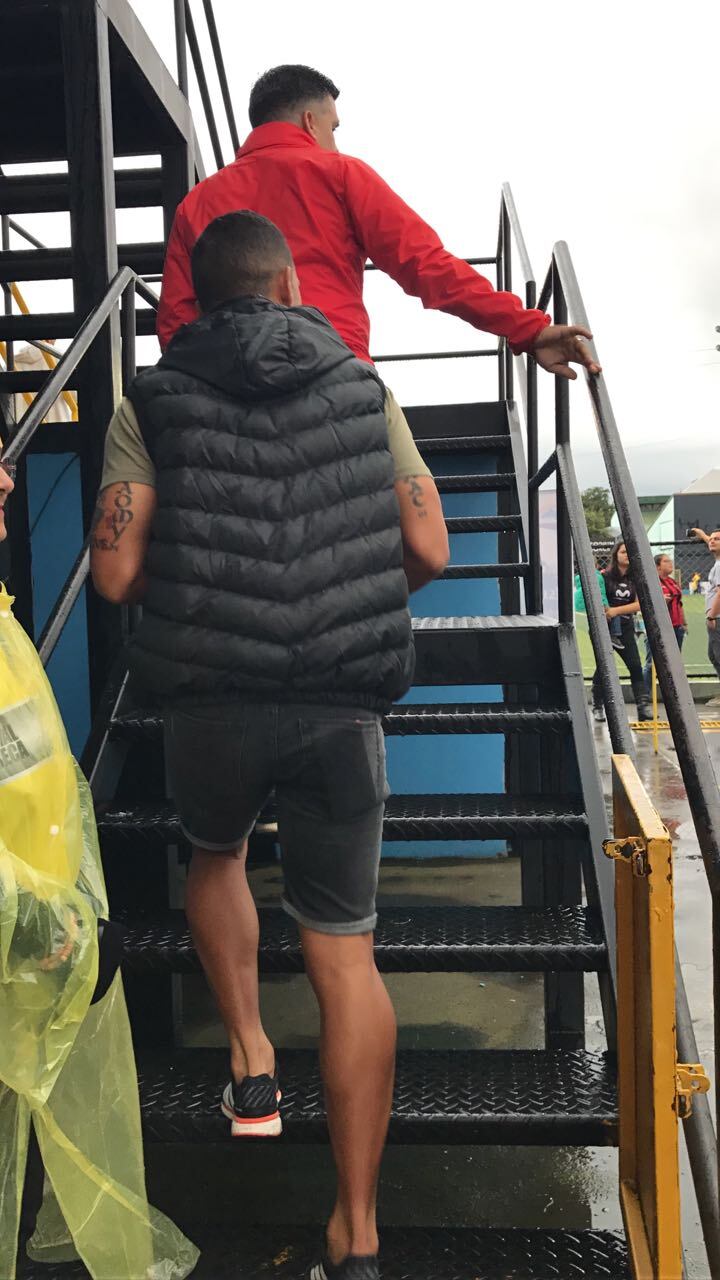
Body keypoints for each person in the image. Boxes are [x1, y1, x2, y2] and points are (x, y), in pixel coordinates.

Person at [91, 210, 450, 1280]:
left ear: (194, 302)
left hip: (214, 702)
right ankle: (357, 1233)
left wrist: (209, 595)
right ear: (292, 287)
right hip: (341, 701)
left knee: (216, 855)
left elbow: (114, 572)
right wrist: (347, 594)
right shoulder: (363, 388)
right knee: (345, 952)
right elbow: (428, 545)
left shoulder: (149, 399)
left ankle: (251, 1058)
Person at [0, 452, 197, 1280]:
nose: (7, 479)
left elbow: (43, 781)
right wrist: (49, 927)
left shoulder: (3, 623)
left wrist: (69, 911)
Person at [157, 64, 602, 391]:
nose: (335, 141)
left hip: (225, 393)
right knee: (407, 487)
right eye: (333, 127)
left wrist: (203, 388)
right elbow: (427, 266)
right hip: (335, 375)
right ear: (310, 122)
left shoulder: (196, 203)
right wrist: (527, 328)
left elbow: (176, 319)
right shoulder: (341, 174)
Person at [591, 539, 653, 724]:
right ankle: (597, 706)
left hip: (625, 627)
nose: (627, 555)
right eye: (623, 552)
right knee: (604, 666)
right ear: (615, 555)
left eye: (629, 552)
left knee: (635, 665)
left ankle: (643, 707)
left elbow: (640, 604)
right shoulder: (604, 577)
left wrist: (616, 611)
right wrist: (607, 612)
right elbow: (597, 600)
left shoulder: (636, 578)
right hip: (604, 628)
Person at [642, 553, 687, 694]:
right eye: (666, 561)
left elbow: (679, 604)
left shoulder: (672, 582)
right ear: (657, 566)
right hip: (658, 628)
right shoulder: (651, 582)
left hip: (676, 627)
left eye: (670, 561)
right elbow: (645, 604)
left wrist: (684, 623)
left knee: (674, 662)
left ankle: (674, 693)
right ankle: (645, 694)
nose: (670, 563)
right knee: (652, 662)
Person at [574, 554, 624, 650]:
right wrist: (605, 605)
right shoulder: (598, 576)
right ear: (596, 566)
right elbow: (600, 593)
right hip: (593, 604)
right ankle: (615, 635)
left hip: (578, 605)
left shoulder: (578, 577)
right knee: (614, 613)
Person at [706, 531, 720, 681]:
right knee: (713, 655)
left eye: (716, 539)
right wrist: (701, 534)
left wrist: (711, 616)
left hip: (717, 617)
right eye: (710, 539)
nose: (712, 541)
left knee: (718, 656)